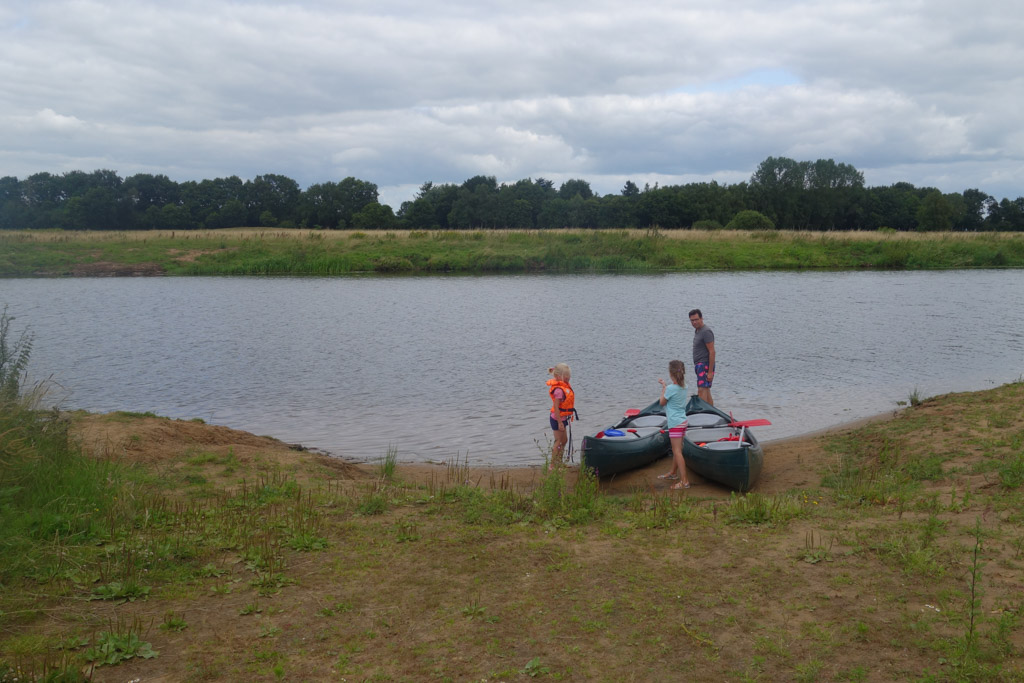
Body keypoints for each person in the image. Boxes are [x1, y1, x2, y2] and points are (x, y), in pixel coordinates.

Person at [657, 360, 692, 489]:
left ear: (671, 374)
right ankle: (672, 473)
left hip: (675, 423)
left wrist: (664, 387)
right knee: (677, 450)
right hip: (683, 422)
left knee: (677, 451)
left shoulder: (671, 389)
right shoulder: (685, 387)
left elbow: (662, 402)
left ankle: (685, 481)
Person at [546, 363, 576, 469]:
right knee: (558, 441)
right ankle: (553, 465)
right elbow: (556, 407)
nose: (568, 377)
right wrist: (559, 422)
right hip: (556, 418)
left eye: (569, 375)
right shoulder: (558, 390)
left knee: (564, 441)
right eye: (566, 375)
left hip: (563, 419)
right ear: (558, 377)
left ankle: (559, 462)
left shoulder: (565, 387)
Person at [689, 308, 716, 406]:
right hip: (699, 365)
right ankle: (713, 413)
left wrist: (709, 372)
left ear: (701, 318)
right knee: (706, 391)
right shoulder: (698, 331)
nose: (694, 322)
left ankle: (701, 414)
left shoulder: (706, 331)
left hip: (704, 365)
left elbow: (712, 352)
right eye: (692, 320)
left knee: (701, 390)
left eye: (696, 319)